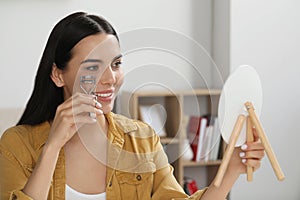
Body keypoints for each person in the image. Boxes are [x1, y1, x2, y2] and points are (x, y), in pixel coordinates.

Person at [0, 12, 265, 200]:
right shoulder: (16, 145)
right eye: (93, 66)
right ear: (58, 75)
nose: (109, 79)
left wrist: (231, 171)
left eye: (115, 64)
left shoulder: (141, 139)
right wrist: (52, 147)